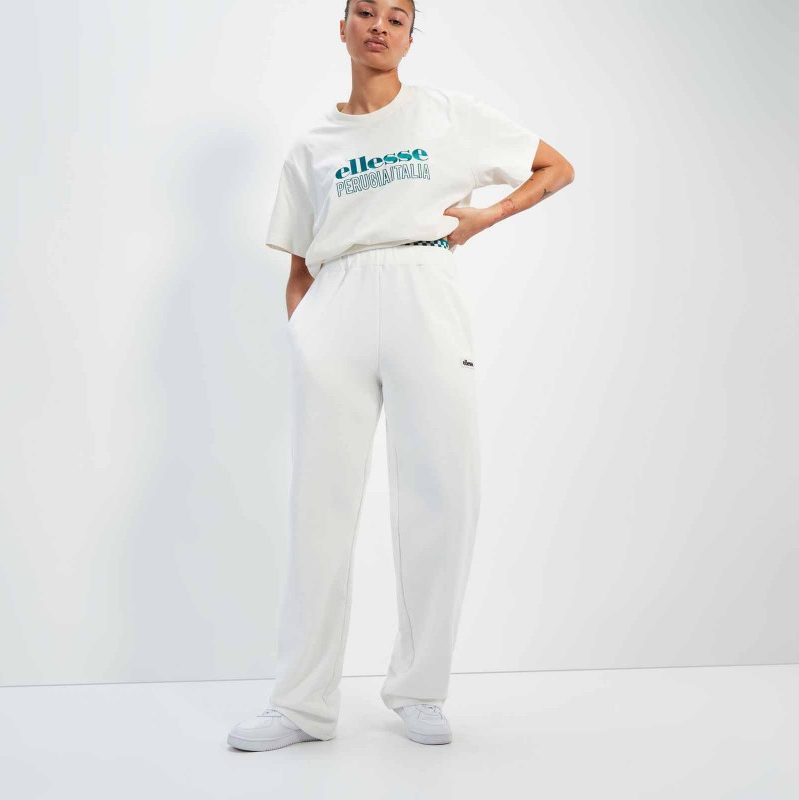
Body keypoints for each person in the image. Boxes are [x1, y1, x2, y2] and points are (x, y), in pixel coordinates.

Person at [227, 0, 575, 752]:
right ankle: (301, 704)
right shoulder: (312, 145)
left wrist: (489, 216)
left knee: (442, 494)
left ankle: (420, 689)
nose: (379, 25)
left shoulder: (449, 115)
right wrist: (306, 334)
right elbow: (298, 264)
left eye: (397, 16)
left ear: (412, 37)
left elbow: (557, 166)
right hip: (337, 300)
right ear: (343, 27)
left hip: (424, 285)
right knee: (319, 506)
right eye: (365, 12)